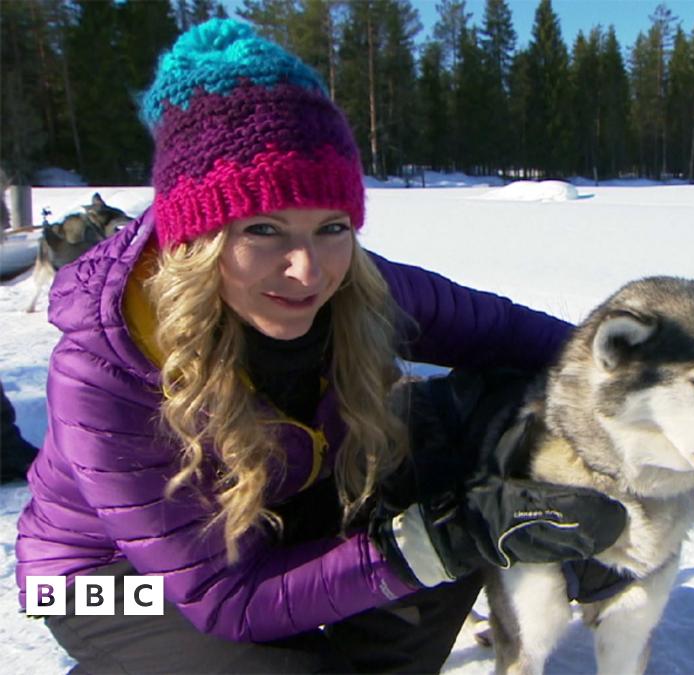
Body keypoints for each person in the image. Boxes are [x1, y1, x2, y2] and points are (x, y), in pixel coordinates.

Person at [15, 19, 625, 674]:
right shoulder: (106, 368)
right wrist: (448, 538)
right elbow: (224, 597)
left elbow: (514, 336)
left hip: (269, 514)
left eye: (331, 226)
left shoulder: (356, 286)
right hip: (99, 581)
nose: (307, 271)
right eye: (264, 229)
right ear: (198, 240)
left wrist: (640, 389)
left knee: (478, 436)